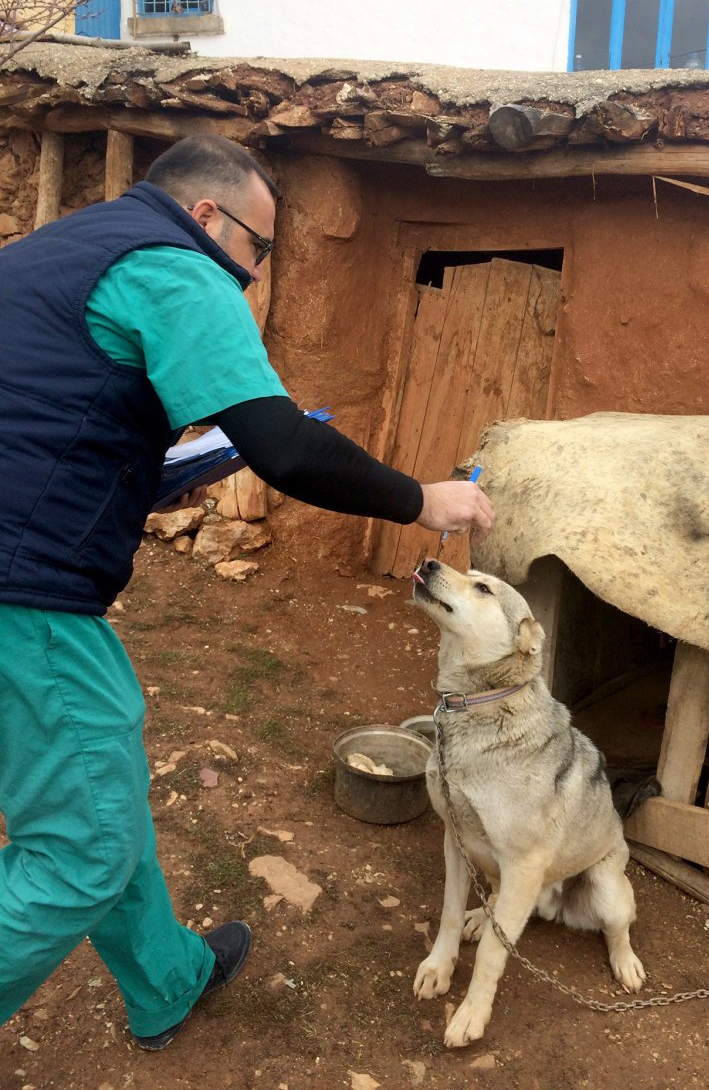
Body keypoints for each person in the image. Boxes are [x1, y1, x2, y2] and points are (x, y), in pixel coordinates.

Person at [0, 135, 494, 1051]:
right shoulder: (175, 267)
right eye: (260, 251)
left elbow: (46, 428)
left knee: (97, 797)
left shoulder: (56, 254)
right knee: (82, 850)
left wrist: (144, 470)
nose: (256, 275)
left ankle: (168, 979)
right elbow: (289, 447)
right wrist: (428, 499)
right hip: (23, 598)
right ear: (207, 217)